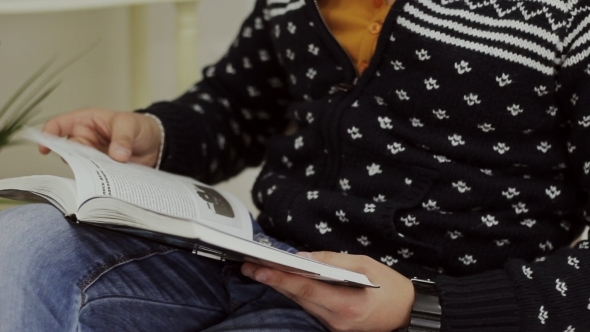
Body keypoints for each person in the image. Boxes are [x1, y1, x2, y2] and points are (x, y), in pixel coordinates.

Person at [1, 0, 589, 330]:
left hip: (430, 302)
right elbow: (238, 105)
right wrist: (154, 134)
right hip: (258, 256)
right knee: (18, 245)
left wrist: (425, 307)